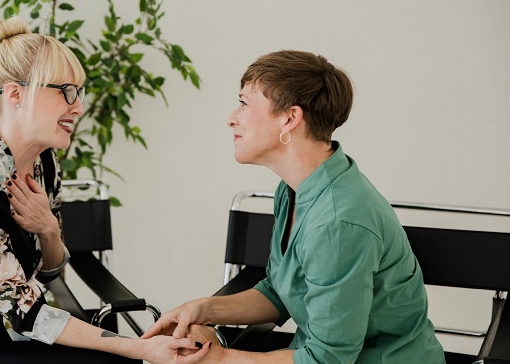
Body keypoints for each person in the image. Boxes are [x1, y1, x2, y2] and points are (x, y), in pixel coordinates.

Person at [0, 16, 209, 364]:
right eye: (66, 91)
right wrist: (139, 346)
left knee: (115, 359)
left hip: (3, 328)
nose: (78, 106)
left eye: (79, 91)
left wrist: (48, 228)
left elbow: (50, 272)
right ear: (16, 94)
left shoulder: (43, 160)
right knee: (120, 357)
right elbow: (25, 311)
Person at [142, 50, 446, 363]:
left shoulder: (337, 223)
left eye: (245, 102)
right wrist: (203, 309)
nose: (231, 117)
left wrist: (219, 358)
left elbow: (327, 359)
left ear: (290, 118)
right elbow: (279, 292)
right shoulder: (294, 189)